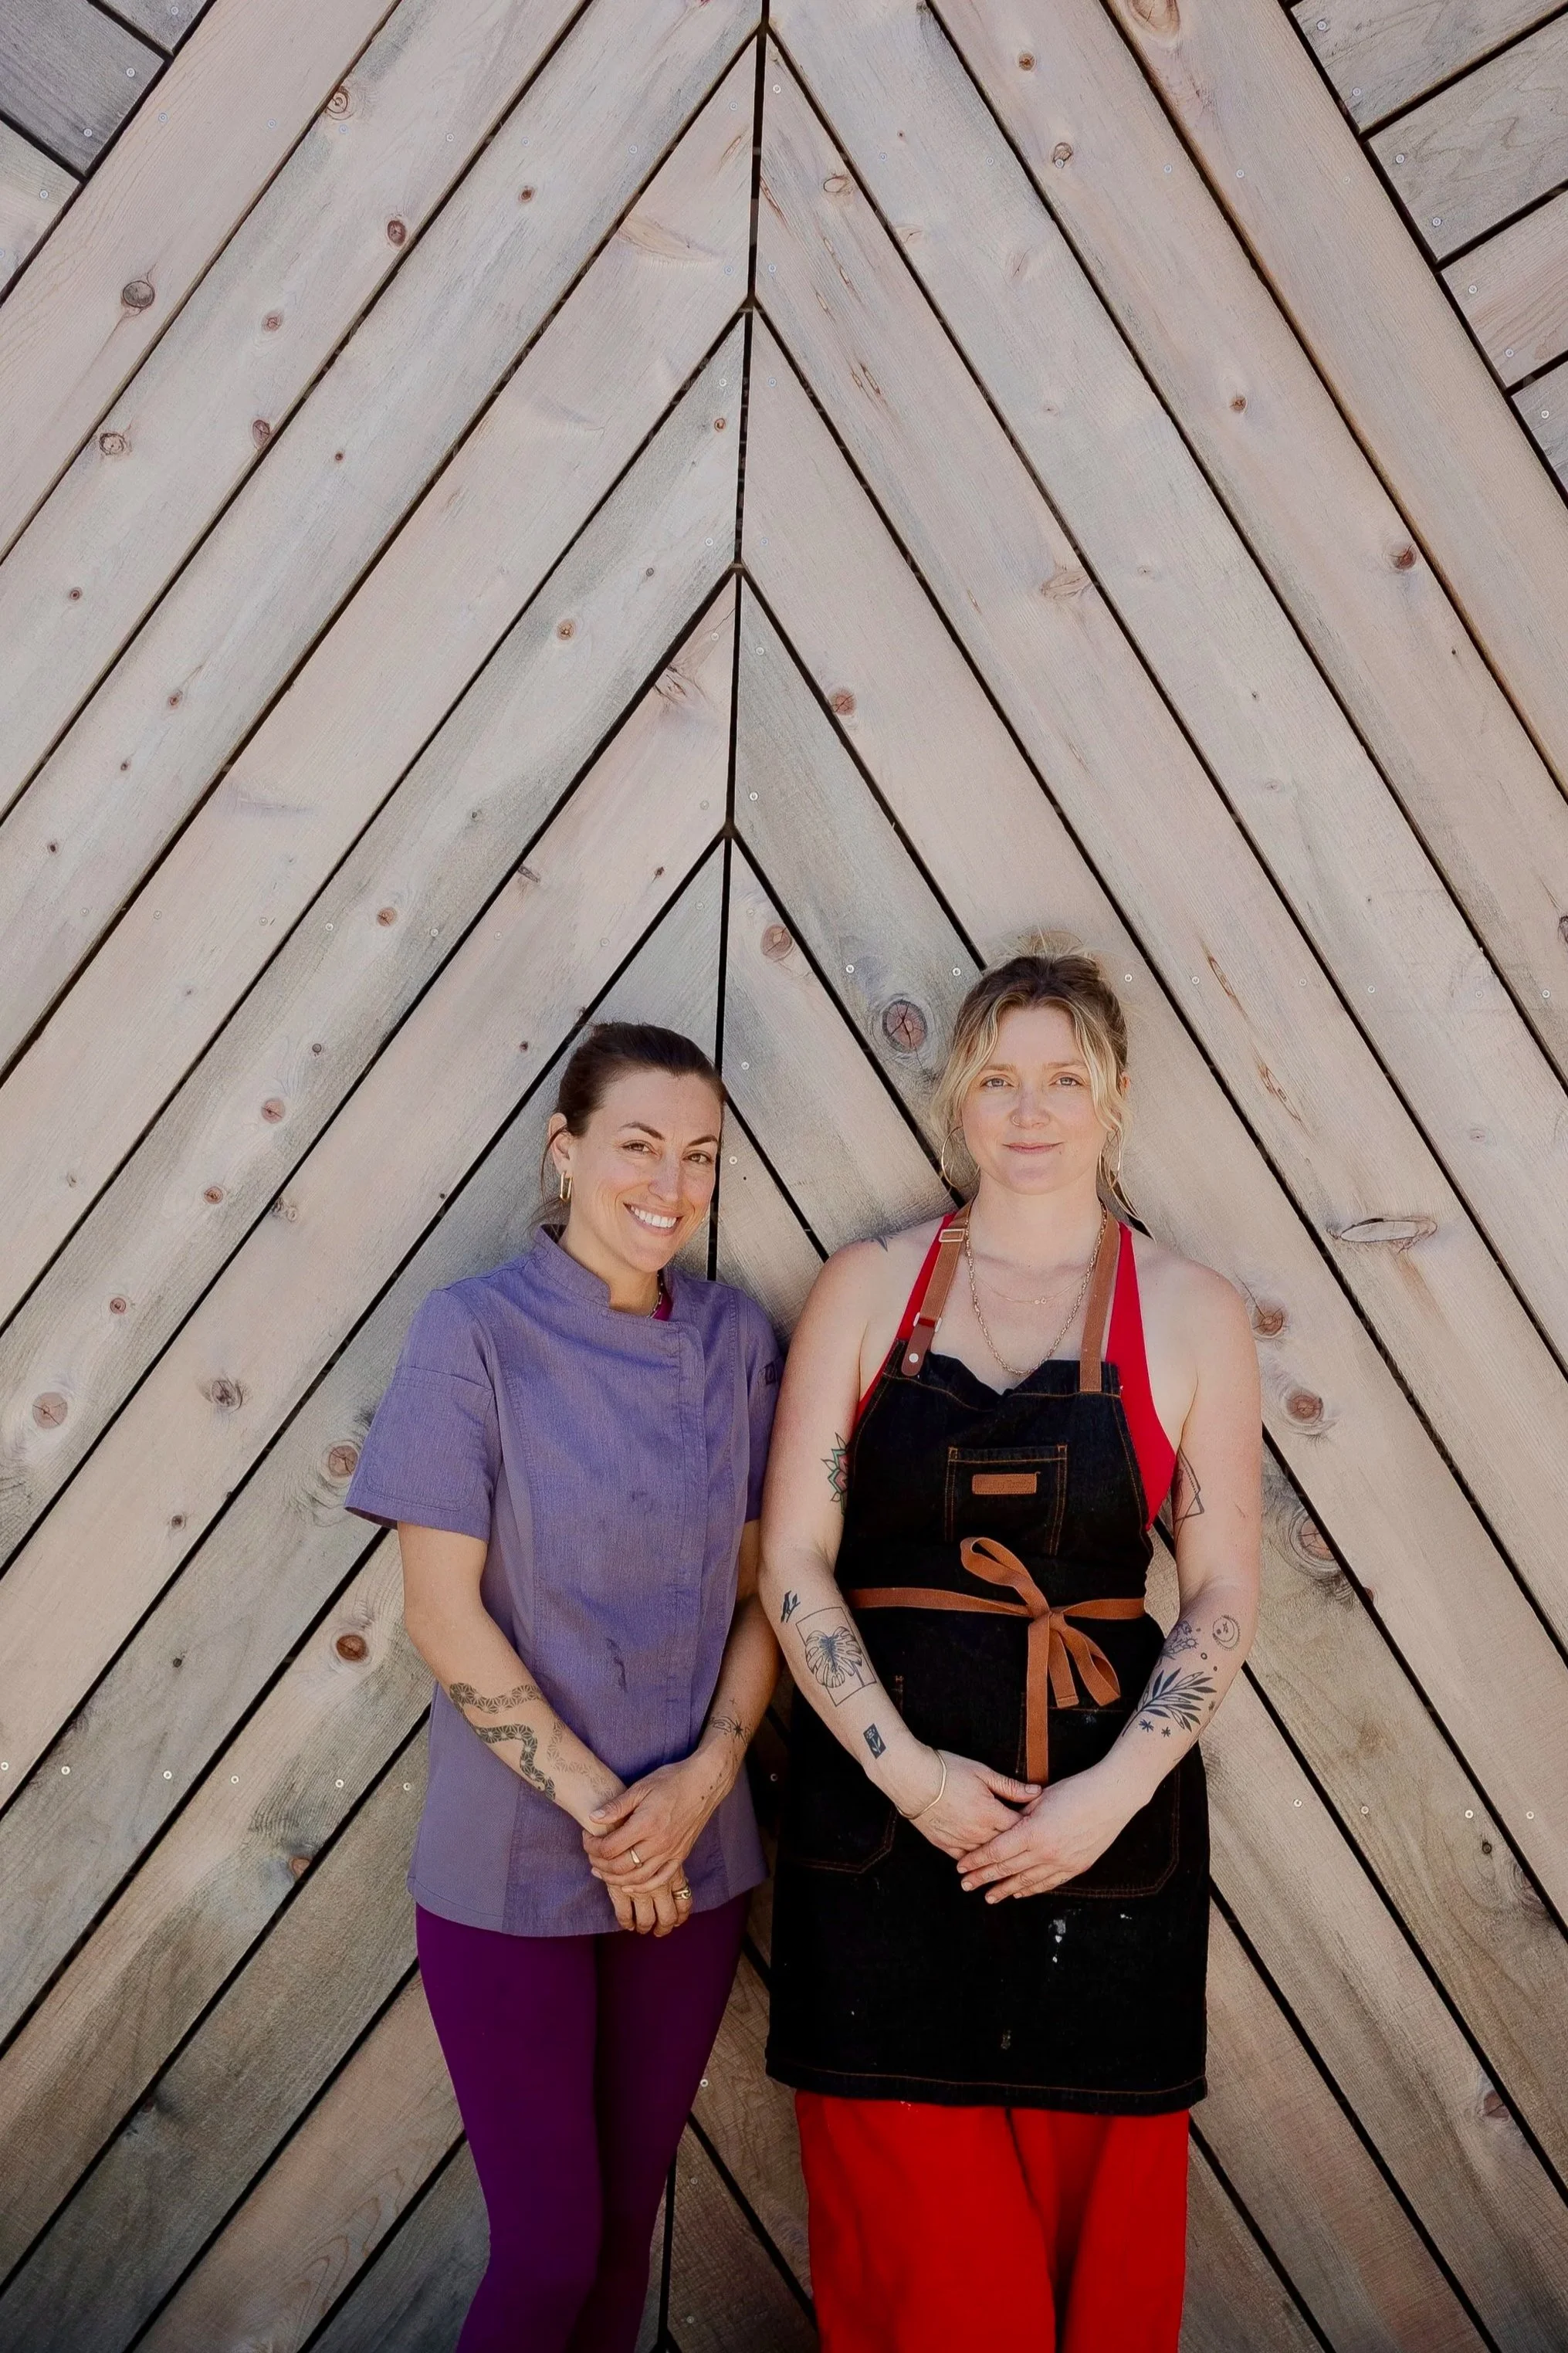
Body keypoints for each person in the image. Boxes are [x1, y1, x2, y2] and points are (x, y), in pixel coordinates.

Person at [760, 946, 1262, 2352]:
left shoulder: (1190, 1310)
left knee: (1096, 2274)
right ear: (957, 1102)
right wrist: (907, 1777)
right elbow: (793, 1559)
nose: (1028, 1111)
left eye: (1062, 1081)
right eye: (997, 1079)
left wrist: (1111, 1798)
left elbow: (1222, 1590)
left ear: (1111, 1102)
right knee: (926, 2281)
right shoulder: (863, 1291)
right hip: (879, 1839)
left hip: (1099, 1851)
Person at [345, 1021, 781, 2353]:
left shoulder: (735, 1339)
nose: (669, 1182)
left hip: (691, 1864)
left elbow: (767, 1595)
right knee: (546, 2253)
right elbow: (439, 1613)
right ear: (567, 1148)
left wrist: (698, 1786)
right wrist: (611, 1815)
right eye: (638, 1145)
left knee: (620, 2245)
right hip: (514, 1866)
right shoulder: (471, 1332)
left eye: (698, 1155)